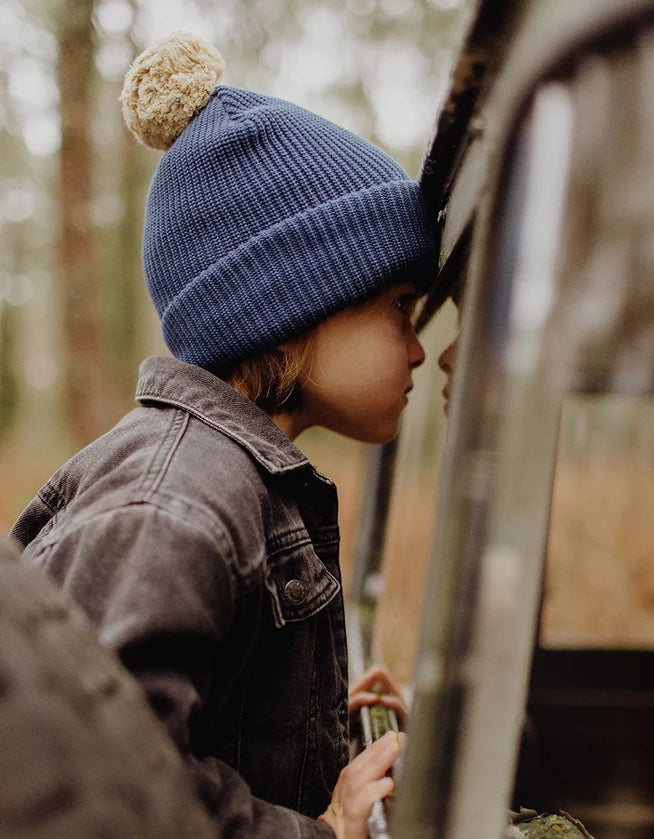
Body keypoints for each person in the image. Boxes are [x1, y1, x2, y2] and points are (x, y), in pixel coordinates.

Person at [10, 33, 435, 839]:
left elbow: (191, 726)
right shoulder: (180, 502)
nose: (417, 347)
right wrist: (327, 829)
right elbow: (116, 783)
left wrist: (310, 726)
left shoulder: (232, 474)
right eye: (399, 307)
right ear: (295, 305)